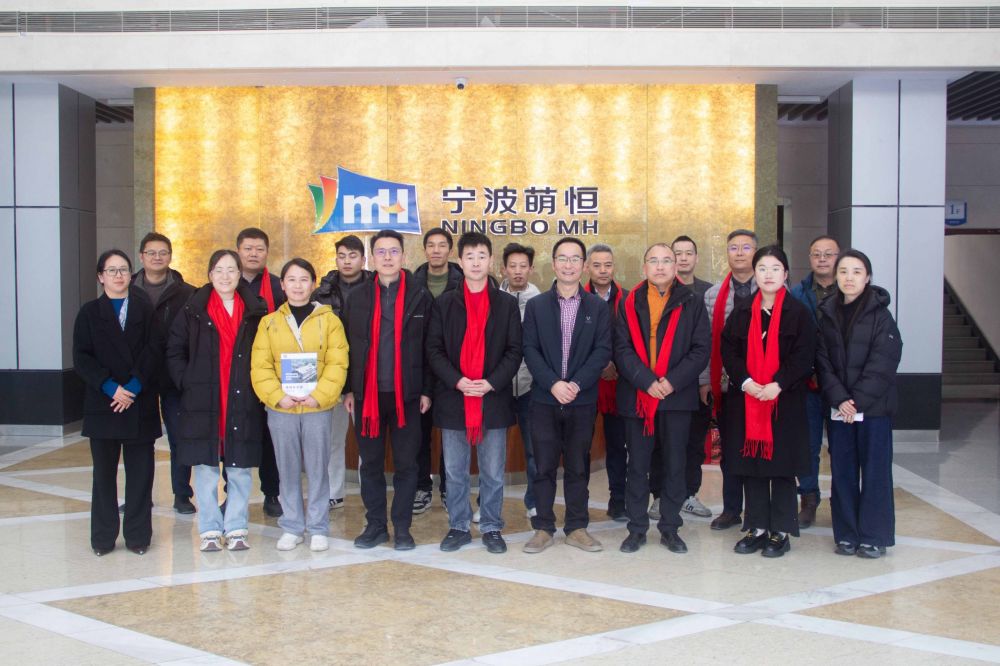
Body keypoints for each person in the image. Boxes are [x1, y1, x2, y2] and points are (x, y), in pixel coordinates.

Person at [427, 232, 522, 554]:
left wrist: (491, 382)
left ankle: (492, 526)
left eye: (482, 256)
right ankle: (458, 525)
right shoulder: (444, 303)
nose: (476, 262)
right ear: (460, 262)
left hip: (492, 398)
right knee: (455, 472)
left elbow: (515, 350)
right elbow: (434, 350)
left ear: (491, 260)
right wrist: (458, 381)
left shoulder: (506, 304)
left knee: (493, 472)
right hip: (454, 398)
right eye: (470, 257)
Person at [167, 250, 267, 552]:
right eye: (219, 270)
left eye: (231, 270)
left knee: (239, 469)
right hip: (203, 399)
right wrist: (187, 382)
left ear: (240, 274)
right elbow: (174, 350)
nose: (225, 276)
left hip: (242, 397)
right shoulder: (192, 309)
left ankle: (236, 527)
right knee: (206, 468)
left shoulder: (255, 310)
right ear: (210, 274)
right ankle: (209, 529)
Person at [615, 243, 710, 554]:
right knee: (637, 465)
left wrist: (671, 382)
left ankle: (670, 528)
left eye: (666, 260)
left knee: (674, 464)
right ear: (644, 267)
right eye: (653, 261)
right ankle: (636, 529)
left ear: (676, 266)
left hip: (676, 397)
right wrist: (646, 381)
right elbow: (621, 349)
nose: (660, 266)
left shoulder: (692, 301)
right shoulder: (629, 302)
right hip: (638, 395)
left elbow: (701, 349)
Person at [342, 230, 434, 551]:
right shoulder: (358, 297)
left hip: (406, 396)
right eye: (380, 252)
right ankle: (376, 525)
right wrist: (349, 389)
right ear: (372, 258)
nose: (387, 257)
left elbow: (430, 347)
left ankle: (403, 527)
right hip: (367, 396)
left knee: (407, 465)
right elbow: (347, 346)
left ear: (403, 256)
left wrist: (426, 390)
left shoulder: (420, 295)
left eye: (394, 251)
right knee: (370, 464)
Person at [722, 246, 815, 558]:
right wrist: (746, 382)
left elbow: (804, 356)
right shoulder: (743, 311)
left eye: (775, 268)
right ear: (755, 274)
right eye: (762, 268)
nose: (768, 274)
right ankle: (757, 527)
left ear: (785, 273)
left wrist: (778, 384)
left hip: (784, 403)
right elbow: (729, 350)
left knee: (782, 468)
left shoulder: (798, 313)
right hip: (747, 401)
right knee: (753, 467)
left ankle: (781, 531)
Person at [251, 258, 349, 552]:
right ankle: (292, 526)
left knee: (318, 467)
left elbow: (337, 362)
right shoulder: (269, 323)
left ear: (313, 284)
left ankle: (318, 526)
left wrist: (319, 395)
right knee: (287, 468)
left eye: (304, 279)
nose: (297, 285)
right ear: (282, 285)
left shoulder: (330, 321)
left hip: (317, 406)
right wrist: (276, 396)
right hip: (282, 407)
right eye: (291, 280)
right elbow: (260, 366)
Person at [521, 237, 612, 553]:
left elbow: (603, 350)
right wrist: (553, 384)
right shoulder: (536, 306)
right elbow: (529, 349)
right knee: (543, 467)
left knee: (578, 466)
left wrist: (576, 384)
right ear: (554, 264)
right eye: (563, 258)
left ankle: (576, 527)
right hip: (544, 399)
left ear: (584, 266)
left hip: (581, 399)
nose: (569, 264)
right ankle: (543, 527)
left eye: (575, 259)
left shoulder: (598, 308)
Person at [73, 250, 164, 556]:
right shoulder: (89, 313)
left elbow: (155, 350)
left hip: (139, 401)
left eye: (123, 269)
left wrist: (133, 388)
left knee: (140, 476)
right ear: (101, 277)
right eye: (111, 270)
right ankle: (102, 539)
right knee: (103, 477)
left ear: (130, 274)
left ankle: (138, 537)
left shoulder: (145, 310)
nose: (118, 275)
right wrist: (111, 387)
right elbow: (82, 357)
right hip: (105, 403)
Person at [816, 249, 902, 559]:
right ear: (836, 277)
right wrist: (840, 399)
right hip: (840, 410)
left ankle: (874, 536)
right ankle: (847, 534)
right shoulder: (826, 313)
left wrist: (857, 402)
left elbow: (884, 362)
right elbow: (822, 361)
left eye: (856, 272)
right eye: (843, 272)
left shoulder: (881, 315)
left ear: (868, 278)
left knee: (875, 472)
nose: (849, 278)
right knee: (843, 473)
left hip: (874, 410)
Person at [132, 231, 196, 515]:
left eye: (163, 252)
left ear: (170, 256)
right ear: (141, 256)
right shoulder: (126, 289)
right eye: (151, 252)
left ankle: (182, 495)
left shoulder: (188, 293)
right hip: (139, 377)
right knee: (139, 440)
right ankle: (139, 497)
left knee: (179, 437)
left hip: (174, 377)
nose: (157, 257)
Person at [700, 229, 759, 530]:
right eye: (733, 247)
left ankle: (758, 511)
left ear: (756, 253)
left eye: (746, 247)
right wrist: (704, 380)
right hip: (726, 385)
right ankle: (732, 509)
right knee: (731, 450)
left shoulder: (772, 288)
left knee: (760, 451)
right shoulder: (713, 295)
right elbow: (705, 342)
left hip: (763, 387)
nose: (739, 253)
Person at [312, 234, 372, 512]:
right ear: (335, 259)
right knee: (332, 438)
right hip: (331, 374)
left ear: (363, 259)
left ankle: (368, 490)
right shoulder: (321, 294)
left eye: (353, 256)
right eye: (342, 256)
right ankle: (333, 491)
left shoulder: (375, 288)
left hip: (365, 373)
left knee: (367, 438)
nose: (347, 261)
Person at [789, 235, 840, 528]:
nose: (822, 259)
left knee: (841, 447)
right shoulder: (797, 293)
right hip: (807, 384)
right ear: (809, 259)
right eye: (816, 254)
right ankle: (808, 499)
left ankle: (841, 501)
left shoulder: (849, 291)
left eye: (828, 254)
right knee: (807, 446)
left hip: (840, 385)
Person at [412, 227, 463, 514]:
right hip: (418, 369)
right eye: (431, 245)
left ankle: (447, 487)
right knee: (419, 434)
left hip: (452, 371)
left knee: (450, 433)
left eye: (442, 245)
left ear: (450, 250)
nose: (436, 250)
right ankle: (422, 486)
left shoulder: (463, 281)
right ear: (425, 250)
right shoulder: (412, 283)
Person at [236, 227, 285, 518]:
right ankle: (233, 496)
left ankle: (272, 493)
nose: (254, 254)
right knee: (236, 435)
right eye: (248, 248)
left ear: (267, 252)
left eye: (259, 249)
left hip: (271, 373)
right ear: (238, 251)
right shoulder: (226, 284)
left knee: (270, 437)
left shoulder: (279, 287)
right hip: (236, 372)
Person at [669, 235, 714, 520]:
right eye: (678, 253)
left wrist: (705, 380)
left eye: (689, 253)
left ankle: (689, 494)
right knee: (664, 444)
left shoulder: (708, 293)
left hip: (698, 383)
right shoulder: (658, 289)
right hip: (665, 384)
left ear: (696, 258)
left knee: (694, 442)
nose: (683, 258)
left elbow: (709, 341)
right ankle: (661, 496)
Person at [583, 243, 629, 522]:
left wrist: (616, 366)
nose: (603, 270)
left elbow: (632, 341)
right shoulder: (577, 297)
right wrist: (600, 366)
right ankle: (579, 504)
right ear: (587, 267)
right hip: (586, 383)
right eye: (597, 265)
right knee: (580, 447)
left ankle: (618, 501)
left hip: (619, 383)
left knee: (617, 446)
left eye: (608, 265)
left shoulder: (629, 299)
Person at [500, 242, 542, 519]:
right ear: (503, 269)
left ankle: (534, 501)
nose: (517, 271)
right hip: (499, 386)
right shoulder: (493, 298)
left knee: (534, 450)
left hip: (530, 386)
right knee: (492, 452)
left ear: (531, 269)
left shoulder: (541, 302)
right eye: (512, 266)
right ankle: (488, 504)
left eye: (522, 266)